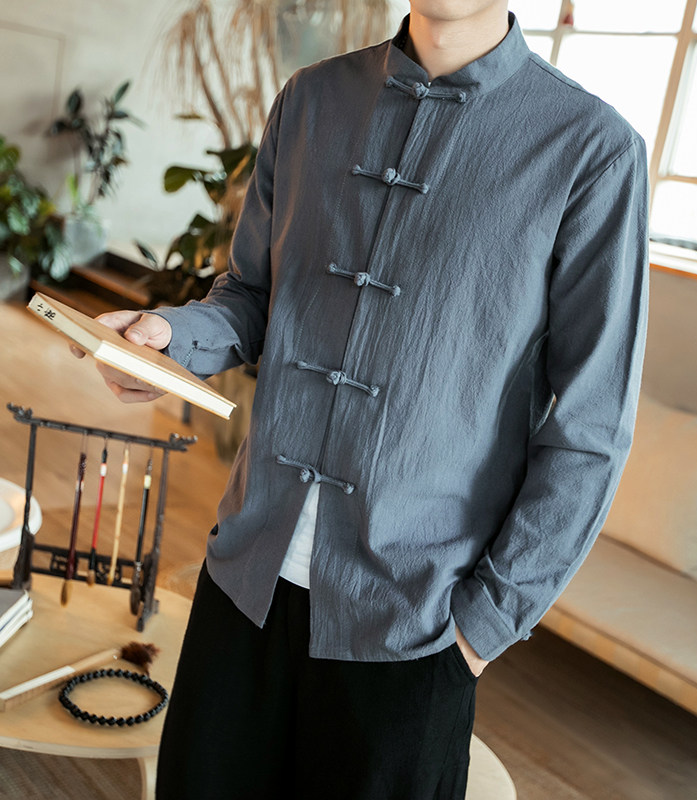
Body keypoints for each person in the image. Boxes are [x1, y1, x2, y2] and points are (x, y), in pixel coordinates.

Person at [81, 1, 649, 797]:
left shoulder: (592, 149)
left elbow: (591, 426)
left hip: (413, 628)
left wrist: (483, 627)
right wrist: (172, 337)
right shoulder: (311, 99)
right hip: (244, 581)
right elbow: (250, 295)